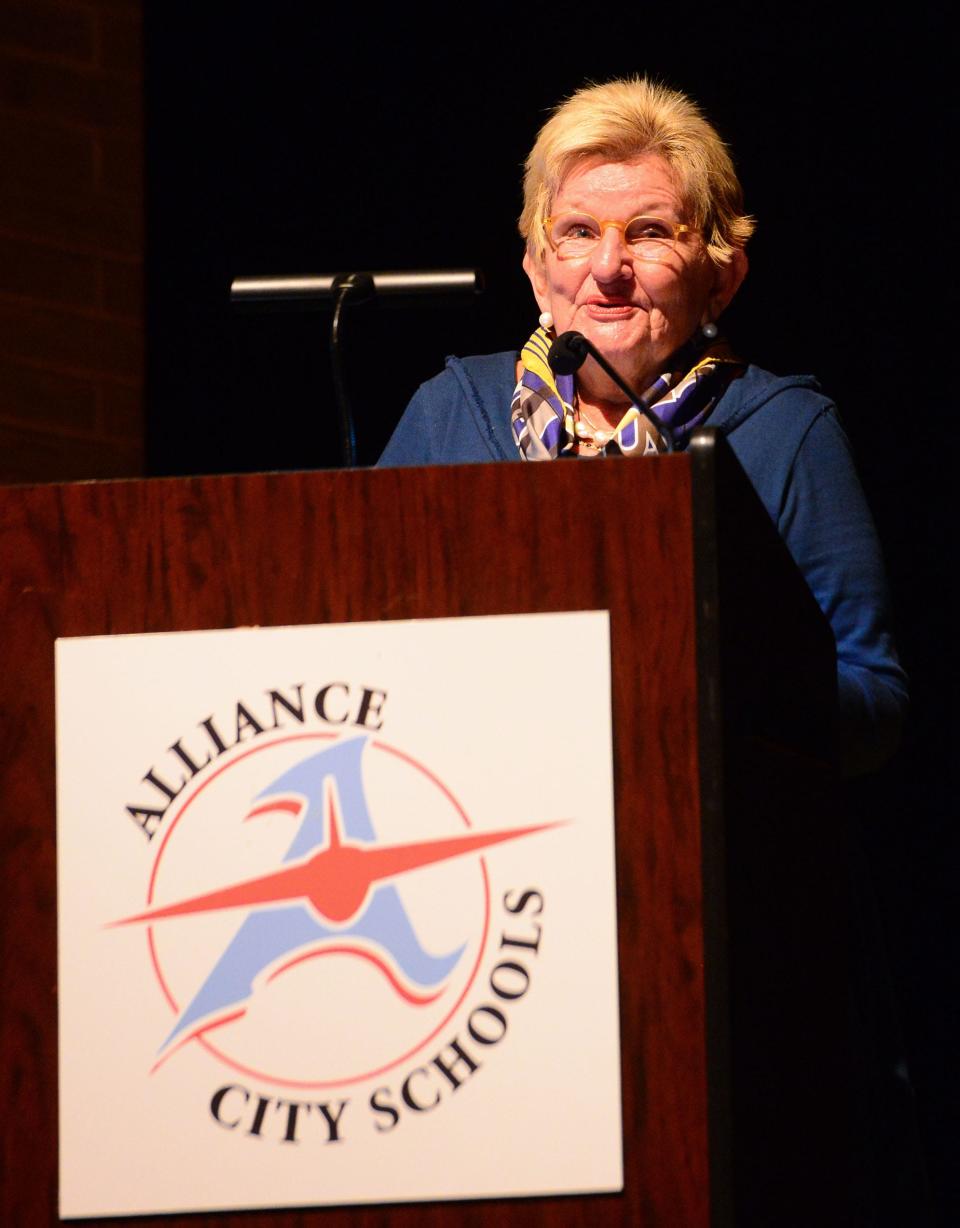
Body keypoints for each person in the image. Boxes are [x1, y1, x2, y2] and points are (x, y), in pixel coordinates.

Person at [379, 77, 907, 776]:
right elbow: (355, 639)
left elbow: (875, 702)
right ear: (538, 273)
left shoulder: (785, 433)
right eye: (576, 233)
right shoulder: (449, 409)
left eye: (650, 233)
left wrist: (710, 685)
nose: (608, 268)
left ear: (721, 278)